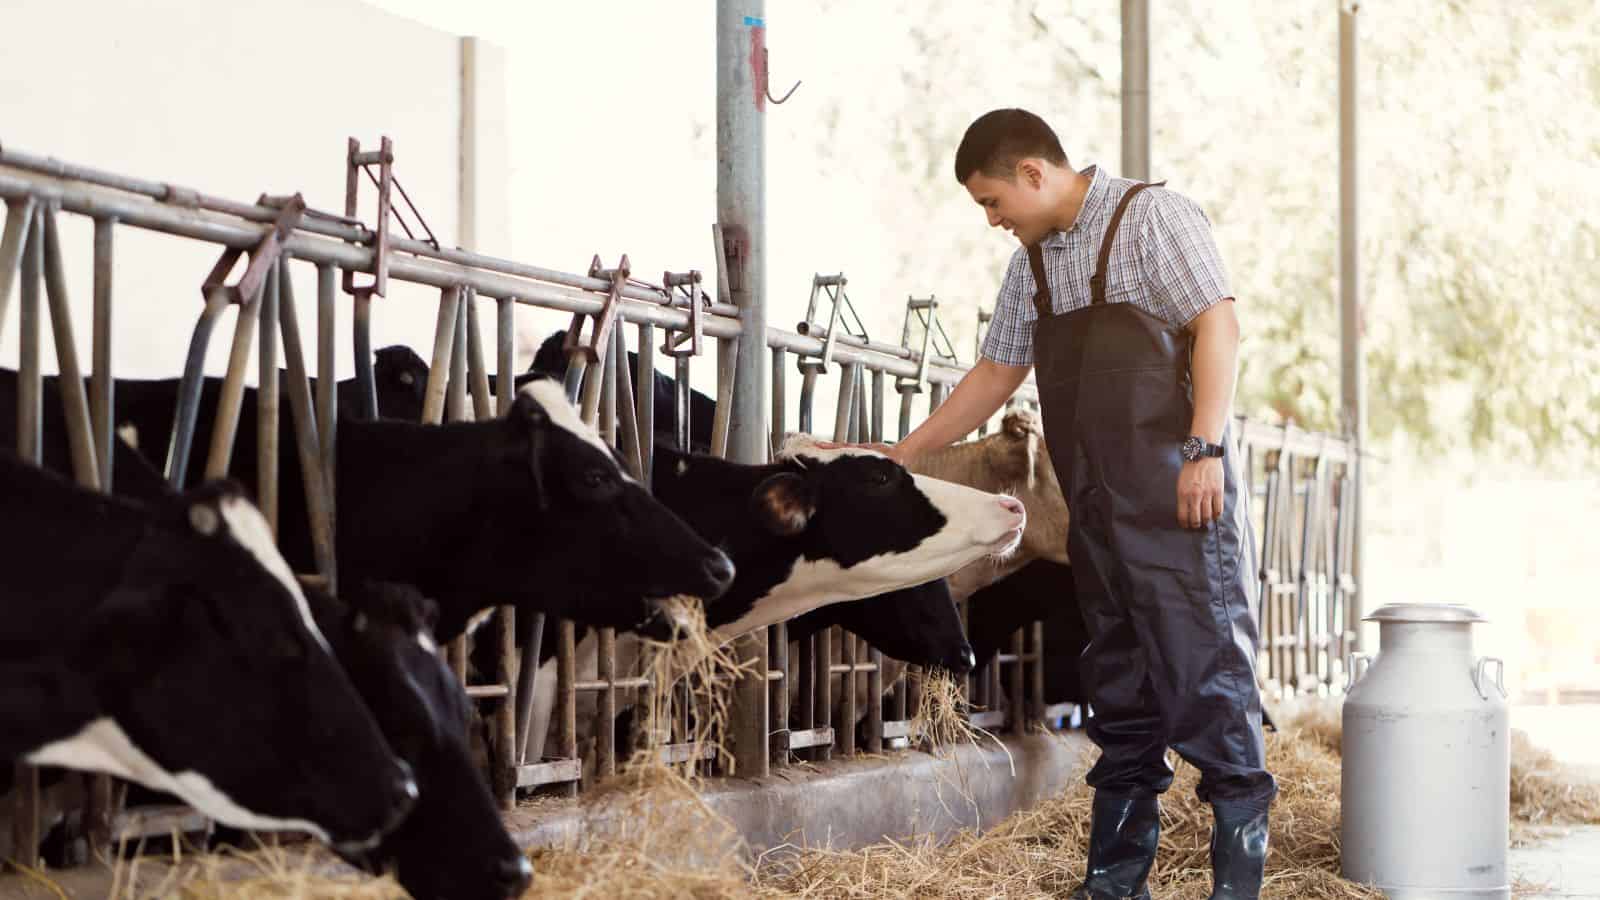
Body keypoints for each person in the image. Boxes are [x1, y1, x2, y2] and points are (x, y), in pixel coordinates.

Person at [838, 108, 1275, 899]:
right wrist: (902, 454)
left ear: (1033, 173)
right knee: (1122, 689)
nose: (994, 221)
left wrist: (1204, 449)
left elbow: (1220, 324)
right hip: (1096, 517)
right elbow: (993, 377)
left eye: (993, 202)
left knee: (1208, 685)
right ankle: (1114, 887)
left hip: (1182, 504)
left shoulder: (1153, 220)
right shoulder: (1031, 271)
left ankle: (1236, 888)